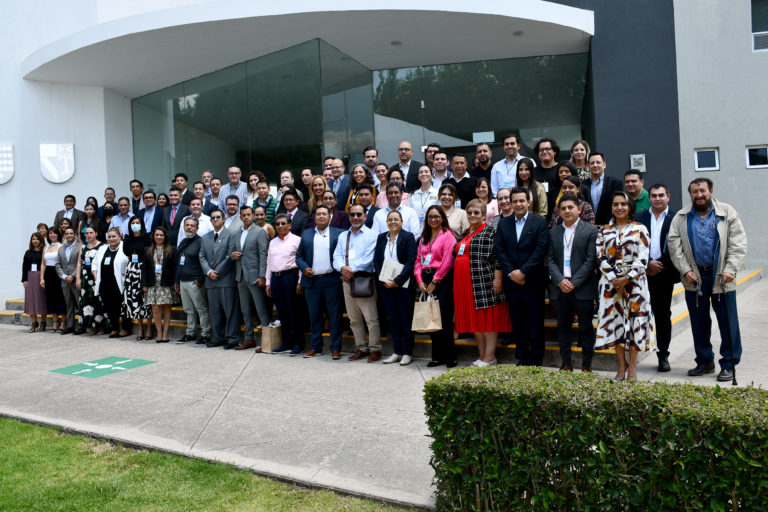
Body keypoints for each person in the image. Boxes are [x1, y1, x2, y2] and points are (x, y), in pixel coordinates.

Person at [668, 178, 747, 382]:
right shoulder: (681, 217)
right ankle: (704, 361)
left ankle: (729, 363)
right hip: (694, 277)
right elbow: (674, 246)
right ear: (691, 194)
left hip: (722, 276)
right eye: (694, 191)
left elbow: (738, 243)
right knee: (699, 322)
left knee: (728, 322)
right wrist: (685, 270)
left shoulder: (727, 212)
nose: (699, 195)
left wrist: (731, 269)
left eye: (702, 190)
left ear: (711, 191)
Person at [594, 191, 654, 381]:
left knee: (635, 323)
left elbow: (643, 257)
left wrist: (626, 278)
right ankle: (621, 366)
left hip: (635, 285)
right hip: (610, 285)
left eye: (623, 204)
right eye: (616, 204)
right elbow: (600, 256)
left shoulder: (640, 229)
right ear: (611, 207)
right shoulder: (603, 230)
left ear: (630, 207)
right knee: (616, 324)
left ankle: (633, 367)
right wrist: (614, 279)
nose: (619, 207)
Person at [494, 187, 550, 366]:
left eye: (521, 201)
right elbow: (500, 249)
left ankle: (536, 358)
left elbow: (540, 250)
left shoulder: (539, 223)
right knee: (517, 321)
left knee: (535, 320)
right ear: (510, 203)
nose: (518, 204)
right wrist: (511, 272)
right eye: (515, 201)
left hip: (533, 281)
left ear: (528, 202)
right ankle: (522, 356)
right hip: (512, 282)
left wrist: (523, 271)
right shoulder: (503, 223)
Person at [454, 200, 511, 367]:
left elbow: (499, 258)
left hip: (484, 282)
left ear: (484, 214)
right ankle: (481, 354)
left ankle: (490, 356)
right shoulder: (465, 233)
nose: (472, 215)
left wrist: (498, 279)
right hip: (465, 284)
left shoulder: (490, 231)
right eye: (469, 212)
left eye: (476, 212)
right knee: (475, 322)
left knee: (488, 321)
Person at [547, 194, 599, 372]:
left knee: (586, 328)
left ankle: (587, 364)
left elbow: (591, 260)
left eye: (570, 207)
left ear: (579, 209)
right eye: (563, 208)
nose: (567, 211)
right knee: (563, 327)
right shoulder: (553, 232)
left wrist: (574, 282)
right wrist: (560, 280)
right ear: (559, 212)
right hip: (560, 288)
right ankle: (566, 363)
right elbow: (550, 260)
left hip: (582, 288)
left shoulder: (591, 231)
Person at [636, 184, 679, 372]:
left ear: (668, 196)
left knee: (662, 316)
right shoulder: (639, 218)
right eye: (654, 195)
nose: (657, 198)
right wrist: (647, 265)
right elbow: (635, 247)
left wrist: (658, 264)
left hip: (665, 274)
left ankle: (663, 355)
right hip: (642, 274)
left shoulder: (677, 218)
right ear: (649, 198)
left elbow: (679, 247)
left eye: (661, 195)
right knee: (640, 316)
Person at [333, 204, 382, 361]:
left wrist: (349, 270)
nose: (355, 217)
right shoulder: (343, 236)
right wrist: (342, 268)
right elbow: (336, 256)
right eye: (352, 214)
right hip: (347, 281)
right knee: (354, 319)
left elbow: (368, 259)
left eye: (359, 214)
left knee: (371, 319)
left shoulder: (372, 235)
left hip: (363, 280)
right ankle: (362, 348)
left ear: (365, 216)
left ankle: (375, 349)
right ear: (349, 216)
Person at [296, 205, 344, 359]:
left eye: (324, 214)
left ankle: (335, 348)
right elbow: (299, 256)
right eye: (318, 214)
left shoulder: (339, 234)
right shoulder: (306, 234)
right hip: (312, 281)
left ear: (329, 217)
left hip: (332, 280)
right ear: (314, 218)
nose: (321, 216)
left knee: (335, 316)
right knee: (314, 316)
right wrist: (304, 268)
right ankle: (316, 347)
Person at [414, 206, 457, 368]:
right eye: (430, 217)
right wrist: (419, 280)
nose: (433, 220)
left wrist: (435, 281)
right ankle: (437, 356)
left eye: (437, 216)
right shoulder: (423, 237)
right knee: (431, 317)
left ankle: (450, 356)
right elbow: (418, 260)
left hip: (442, 280)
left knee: (444, 318)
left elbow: (447, 261)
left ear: (442, 218)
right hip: (425, 278)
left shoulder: (448, 236)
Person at [374, 210, 417, 366]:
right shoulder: (381, 238)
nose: (393, 222)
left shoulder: (408, 237)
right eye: (390, 219)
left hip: (403, 285)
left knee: (405, 318)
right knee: (393, 319)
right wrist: (383, 278)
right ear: (386, 222)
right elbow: (376, 261)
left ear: (401, 221)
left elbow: (412, 261)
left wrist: (398, 280)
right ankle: (397, 351)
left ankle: (407, 352)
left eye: (396, 219)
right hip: (385, 284)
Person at [232, 205, 271, 350]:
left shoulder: (260, 232)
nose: (246, 217)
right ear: (240, 217)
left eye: (249, 214)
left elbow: (263, 254)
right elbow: (232, 251)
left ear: (253, 216)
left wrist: (262, 276)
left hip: (255, 276)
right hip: (240, 276)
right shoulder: (237, 233)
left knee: (261, 310)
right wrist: (232, 255)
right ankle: (249, 339)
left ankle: (267, 341)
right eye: (244, 215)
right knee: (245, 311)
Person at [266, 213, 305, 355]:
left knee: (294, 312)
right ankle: (287, 342)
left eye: (283, 223)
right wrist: (268, 282)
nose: (280, 226)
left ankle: (299, 344)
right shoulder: (272, 242)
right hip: (276, 279)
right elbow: (269, 263)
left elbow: (301, 262)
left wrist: (300, 281)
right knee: (282, 313)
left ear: (290, 225)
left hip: (291, 277)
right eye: (278, 224)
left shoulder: (297, 240)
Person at [200, 209, 240, 349]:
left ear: (223, 219)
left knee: (230, 311)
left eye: (218, 217)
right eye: (213, 217)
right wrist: (209, 272)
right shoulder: (206, 237)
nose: (215, 219)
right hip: (211, 280)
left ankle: (232, 338)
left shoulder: (232, 235)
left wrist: (218, 271)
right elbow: (202, 257)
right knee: (215, 311)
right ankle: (219, 337)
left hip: (226, 279)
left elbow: (230, 255)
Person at [174, 217, 211, 344]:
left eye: (192, 225)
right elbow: (179, 263)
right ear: (184, 227)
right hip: (183, 282)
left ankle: (205, 334)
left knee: (201, 309)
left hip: (195, 282)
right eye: (187, 225)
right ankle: (190, 333)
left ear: (197, 228)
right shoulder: (183, 242)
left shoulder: (201, 242)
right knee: (188, 310)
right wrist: (176, 280)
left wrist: (200, 279)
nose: (189, 227)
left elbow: (205, 261)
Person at [141, 227, 179, 343]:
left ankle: (165, 333)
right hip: (152, 283)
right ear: (153, 236)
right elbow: (144, 269)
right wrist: (144, 284)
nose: (159, 237)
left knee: (167, 307)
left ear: (165, 236)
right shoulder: (148, 250)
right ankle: (159, 332)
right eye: (157, 235)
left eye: (161, 235)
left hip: (166, 283)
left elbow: (175, 267)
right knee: (155, 308)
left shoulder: (171, 249)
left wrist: (175, 282)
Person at [92, 227, 129, 338]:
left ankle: (126, 328)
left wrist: (127, 272)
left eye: (114, 236)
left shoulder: (125, 247)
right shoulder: (102, 249)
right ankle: (114, 328)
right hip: (104, 283)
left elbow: (131, 260)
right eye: (109, 237)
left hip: (119, 283)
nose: (111, 239)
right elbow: (94, 262)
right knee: (110, 307)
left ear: (119, 236)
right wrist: (95, 274)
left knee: (123, 306)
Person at [122, 216, 152, 339]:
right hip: (131, 269)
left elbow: (149, 254)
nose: (135, 224)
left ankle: (149, 328)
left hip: (144, 268)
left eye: (137, 223)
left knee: (146, 300)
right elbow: (126, 253)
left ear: (142, 224)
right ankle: (140, 329)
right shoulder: (127, 238)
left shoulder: (147, 237)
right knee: (135, 300)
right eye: (133, 223)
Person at [75, 226, 107, 335]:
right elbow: (79, 263)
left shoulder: (102, 246)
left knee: (99, 301)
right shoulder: (83, 247)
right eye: (87, 233)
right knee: (88, 302)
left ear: (96, 233)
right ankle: (92, 326)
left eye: (91, 233)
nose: (89, 235)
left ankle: (101, 326)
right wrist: (78, 279)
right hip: (85, 278)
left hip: (97, 277)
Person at [580, 152, 624, 225]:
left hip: (609, 226)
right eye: (592, 163)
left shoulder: (615, 183)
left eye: (598, 162)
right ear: (588, 166)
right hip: (588, 226)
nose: (595, 165)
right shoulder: (582, 185)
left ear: (604, 165)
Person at [55, 227, 82, 334]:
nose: (69, 235)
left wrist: (73, 276)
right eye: (67, 233)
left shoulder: (80, 247)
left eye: (71, 233)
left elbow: (81, 263)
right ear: (64, 235)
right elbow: (57, 264)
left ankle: (81, 325)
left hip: (76, 279)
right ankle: (70, 325)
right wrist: (64, 276)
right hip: (65, 280)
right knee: (69, 304)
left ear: (74, 234)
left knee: (79, 303)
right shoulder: (61, 249)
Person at [40, 228, 66, 332]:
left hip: (59, 272)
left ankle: (64, 321)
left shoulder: (62, 246)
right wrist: (41, 277)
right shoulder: (45, 247)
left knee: (61, 297)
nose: (52, 235)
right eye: (50, 233)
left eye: (54, 233)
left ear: (58, 234)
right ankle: (55, 321)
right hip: (49, 273)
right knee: (50, 297)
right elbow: (43, 263)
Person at [22, 233, 46, 332]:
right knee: (31, 300)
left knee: (41, 299)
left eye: (37, 239)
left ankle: (43, 323)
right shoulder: (28, 252)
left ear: (41, 240)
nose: (35, 241)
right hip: (30, 277)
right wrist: (24, 280)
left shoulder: (43, 252)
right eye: (33, 239)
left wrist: (43, 278)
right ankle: (34, 323)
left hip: (40, 276)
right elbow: (24, 267)